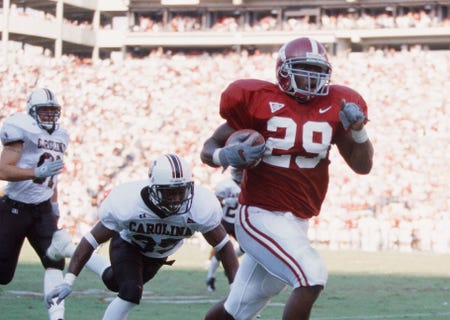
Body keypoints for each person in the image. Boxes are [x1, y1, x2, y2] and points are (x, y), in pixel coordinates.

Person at [200, 37, 374, 320]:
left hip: (298, 220)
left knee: (240, 306)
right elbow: (208, 148)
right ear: (283, 70)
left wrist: (358, 131)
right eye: (304, 69)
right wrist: (224, 156)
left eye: (318, 71)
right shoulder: (258, 101)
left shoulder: (336, 106)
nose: (311, 78)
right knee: (311, 276)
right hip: (259, 213)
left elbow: (362, 166)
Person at [44, 153, 239, 319]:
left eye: (181, 191)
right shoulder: (128, 203)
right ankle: (69, 248)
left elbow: (224, 246)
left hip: (157, 256)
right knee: (130, 292)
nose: (176, 199)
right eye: (169, 193)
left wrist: (238, 291)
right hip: (128, 244)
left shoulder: (200, 205)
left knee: (113, 281)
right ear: (153, 187)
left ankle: (67, 248)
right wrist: (69, 280)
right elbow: (91, 239)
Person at [0, 87, 70, 320]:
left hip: (42, 209)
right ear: (31, 112)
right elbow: (3, 170)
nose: (50, 116)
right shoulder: (21, 128)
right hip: (15, 208)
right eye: (44, 111)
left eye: (53, 111)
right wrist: (35, 171)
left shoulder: (62, 136)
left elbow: (53, 176)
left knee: (55, 261)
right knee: (2, 274)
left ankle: (57, 316)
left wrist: (54, 206)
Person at [206, 167, 244, 292]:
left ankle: (228, 259)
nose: (241, 173)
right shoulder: (225, 185)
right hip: (224, 221)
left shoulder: (248, 183)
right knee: (220, 248)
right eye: (239, 171)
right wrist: (226, 201)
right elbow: (214, 202)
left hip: (238, 223)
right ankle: (210, 278)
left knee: (246, 248)